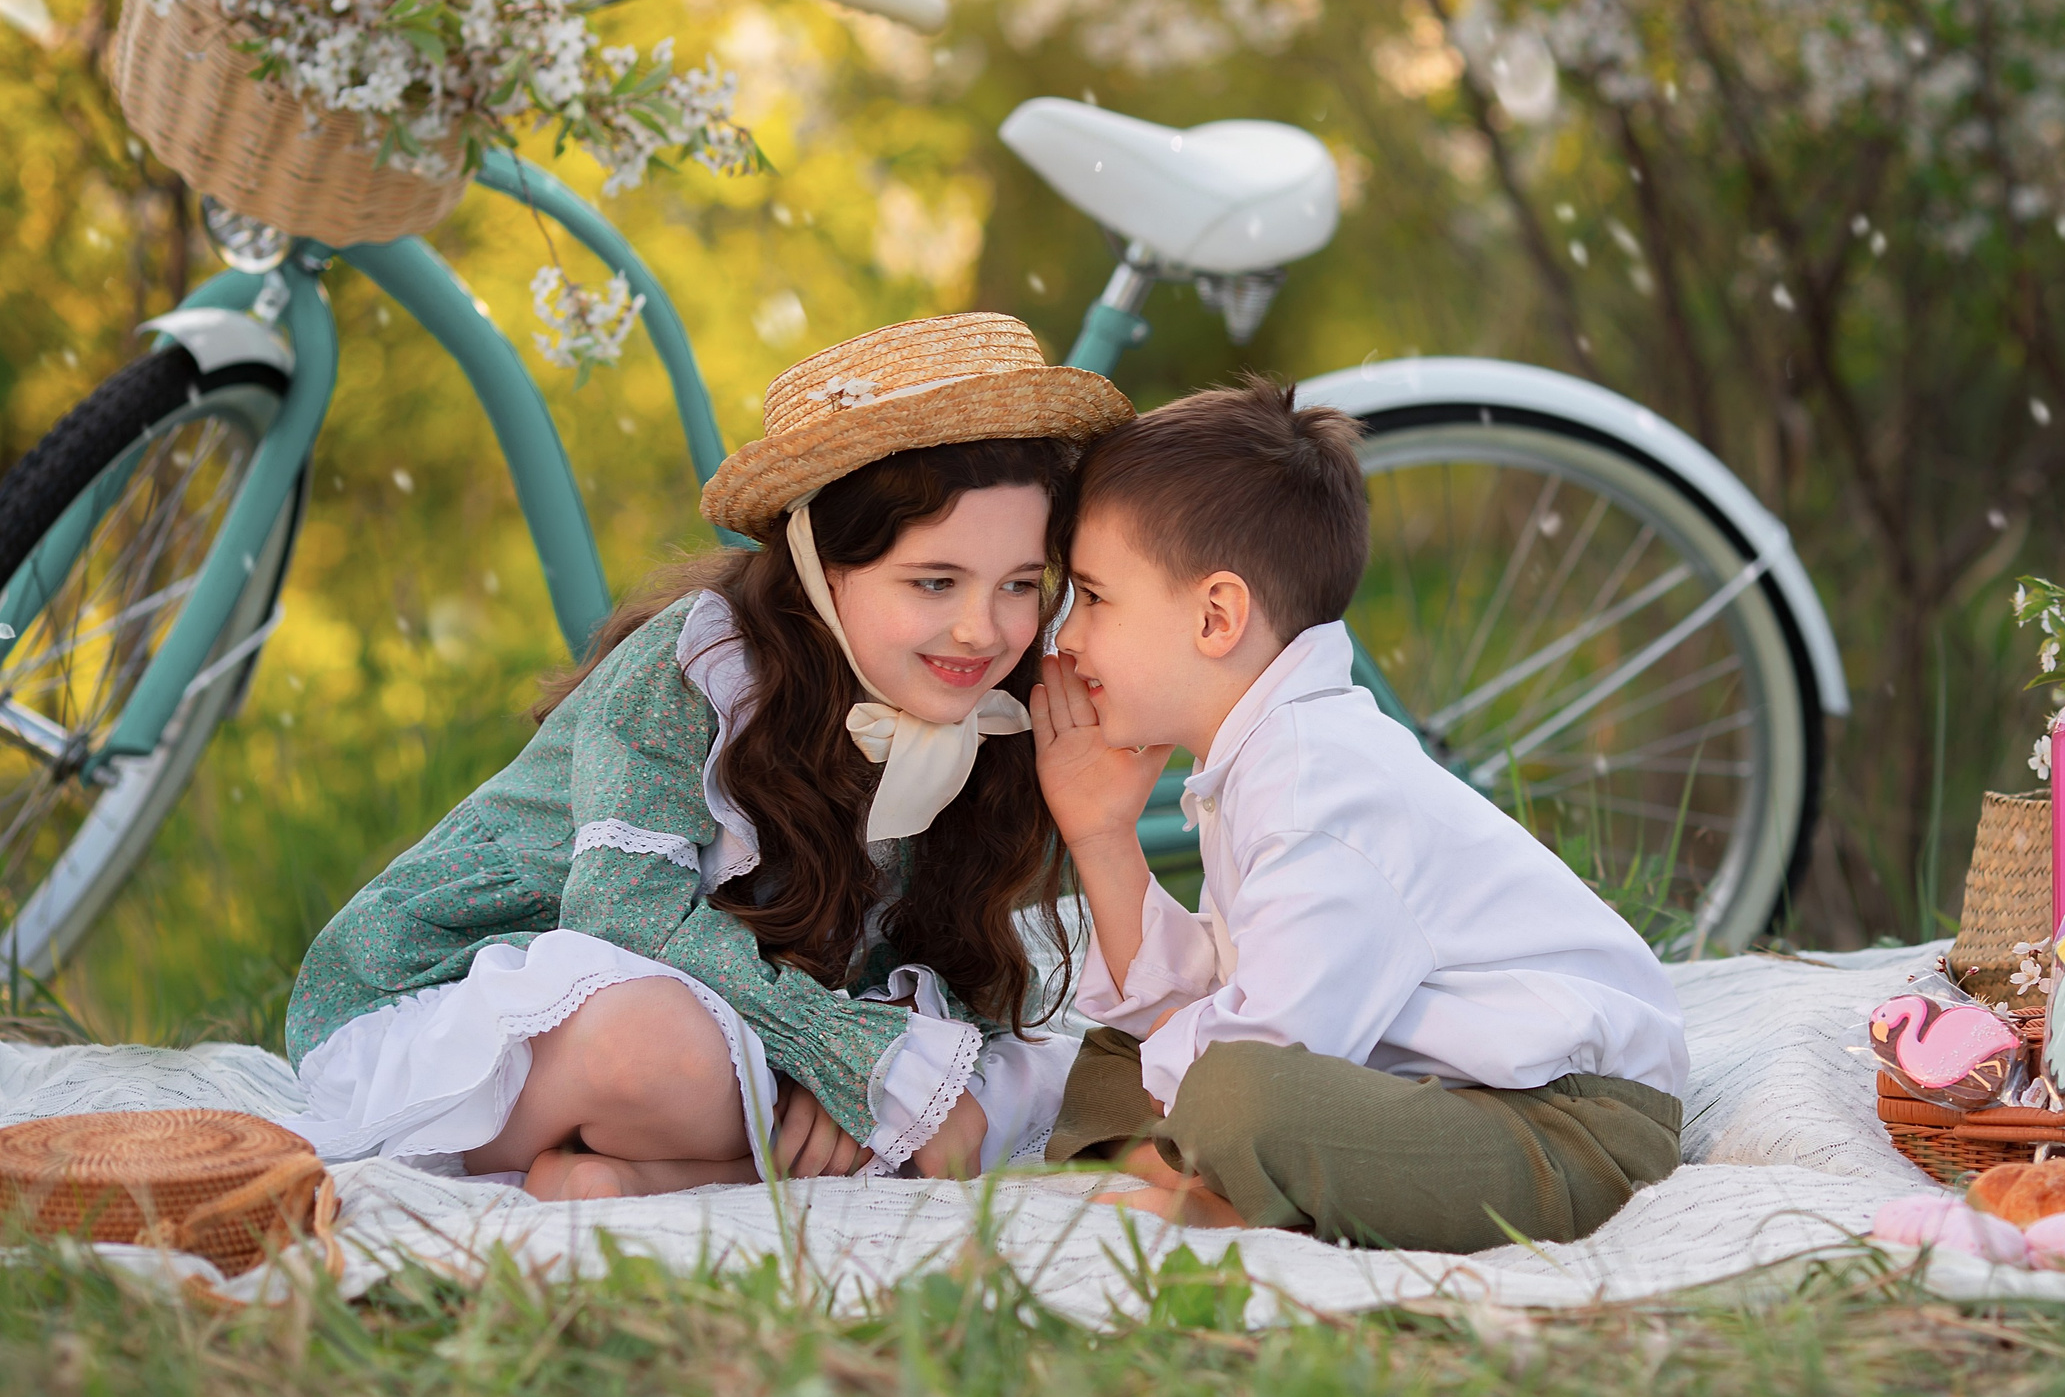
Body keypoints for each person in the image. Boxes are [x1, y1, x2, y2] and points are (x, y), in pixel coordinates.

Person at [279, 314, 1131, 1200]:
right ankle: (728, 1149)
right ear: (820, 569)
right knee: (665, 1049)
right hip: (483, 994)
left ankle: (638, 1174)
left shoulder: (986, 717)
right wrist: (843, 1055)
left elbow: (937, 964)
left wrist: (878, 1052)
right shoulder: (702, 668)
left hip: (744, 1011)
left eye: (1021, 585)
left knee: (993, 1096)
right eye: (933, 581)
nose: (981, 629)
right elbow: (621, 916)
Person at [1030, 376, 1690, 1252]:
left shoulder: (1316, 789)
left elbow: (1270, 1046)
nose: (1065, 639)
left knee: (1232, 1092)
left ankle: (1211, 1189)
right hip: (1443, 1090)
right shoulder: (1266, 756)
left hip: (1567, 1129)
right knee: (1114, 1061)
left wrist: (1198, 1073)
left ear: (1217, 615)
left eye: (1094, 597)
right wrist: (1101, 834)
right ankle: (1215, 1178)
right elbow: (1230, 995)